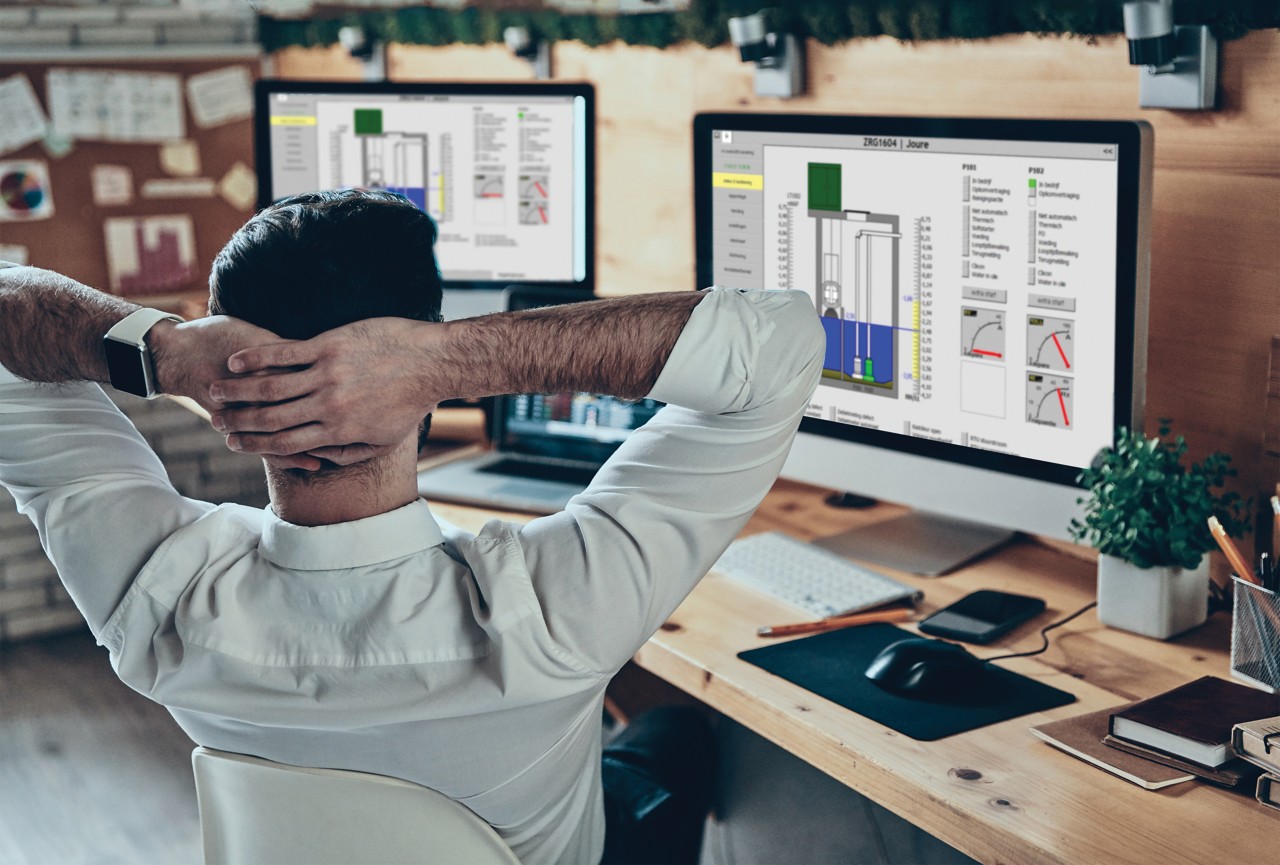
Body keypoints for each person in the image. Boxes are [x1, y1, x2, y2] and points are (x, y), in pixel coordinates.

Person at [0, 189, 823, 865]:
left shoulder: (155, 594)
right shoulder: (552, 608)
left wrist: (169, 351)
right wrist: (449, 361)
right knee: (673, 731)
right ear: (414, 355)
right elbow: (783, 343)